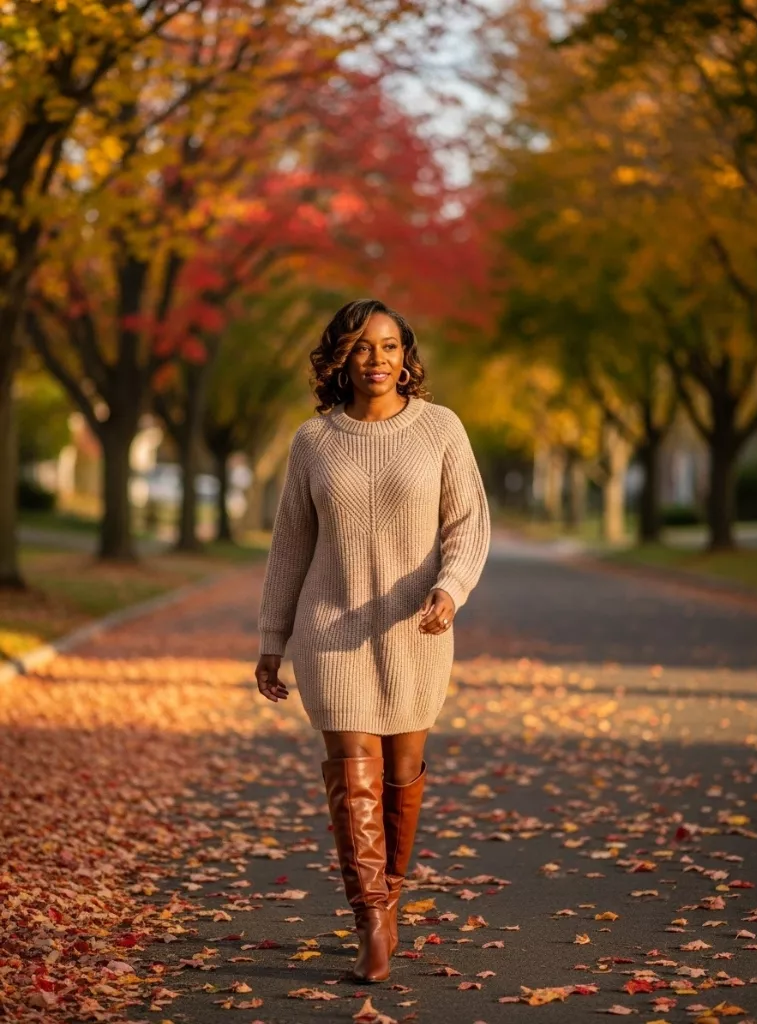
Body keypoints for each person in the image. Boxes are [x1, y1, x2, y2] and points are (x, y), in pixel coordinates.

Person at [254, 298, 491, 983]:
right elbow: (290, 546)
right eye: (361, 347)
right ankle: (371, 918)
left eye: (388, 346)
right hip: (330, 629)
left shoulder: (440, 430)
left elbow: (467, 523)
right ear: (341, 359)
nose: (376, 360)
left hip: (416, 627)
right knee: (352, 769)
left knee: (400, 775)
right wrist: (274, 635)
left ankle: (389, 891)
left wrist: (450, 589)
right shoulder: (313, 441)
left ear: (405, 356)